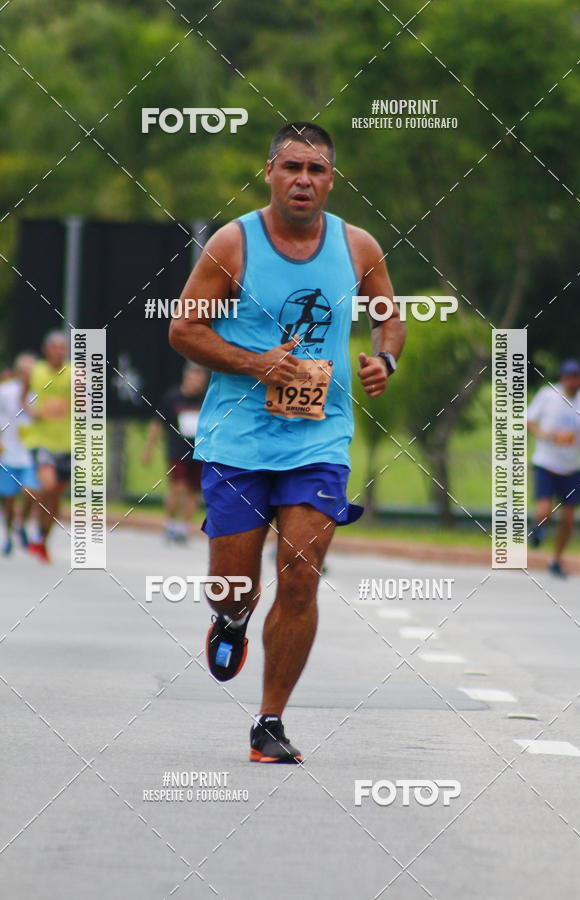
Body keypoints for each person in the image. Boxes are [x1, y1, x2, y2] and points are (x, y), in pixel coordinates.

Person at [170, 122, 405, 763]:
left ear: (331, 179)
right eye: (292, 167)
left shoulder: (357, 246)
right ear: (270, 172)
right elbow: (184, 330)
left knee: (301, 576)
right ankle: (231, 618)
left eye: (316, 169)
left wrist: (385, 359)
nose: (303, 179)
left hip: (319, 439)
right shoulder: (233, 243)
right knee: (233, 584)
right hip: (238, 439)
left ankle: (269, 721)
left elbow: (389, 318)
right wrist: (257, 363)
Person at [527, 359, 580, 577]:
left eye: (576, 377)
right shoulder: (548, 395)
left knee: (568, 519)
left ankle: (556, 559)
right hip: (546, 462)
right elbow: (529, 420)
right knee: (544, 509)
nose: (573, 382)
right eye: (569, 378)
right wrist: (547, 435)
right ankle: (538, 528)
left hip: (572, 466)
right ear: (562, 379)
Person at [142, 362, 208, 543]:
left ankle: (184, 528)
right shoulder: (172, 397)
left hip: (199, 451)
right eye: (193, 377)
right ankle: (170, 523)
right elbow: (157, 423)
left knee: (193, 491)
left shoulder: (205, 399)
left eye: (200, 379)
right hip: (177, 450)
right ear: (186, 377)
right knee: (178, 487)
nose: (196, 382)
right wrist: (148, 449)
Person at [22, 331, 72, 563]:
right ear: (46, 350)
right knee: (48, 485)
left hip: (66, 443)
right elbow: (23, 398)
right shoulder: (36, 371)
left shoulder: (73, 374)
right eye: (55, 347)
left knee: (56, 500)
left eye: (63, 348)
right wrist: (32, 411)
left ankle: (41, 539)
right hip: (41, 440)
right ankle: (30, 524)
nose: (59, 351)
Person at [0, 353, 39, 555]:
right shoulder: (6, 391)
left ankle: (21, 523)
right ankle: (7, 535)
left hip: (28, 454)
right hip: (8, 452)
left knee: (32, 491)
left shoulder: (38, 393)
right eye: (25, 372)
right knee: (8, 498)